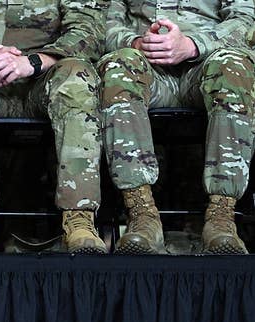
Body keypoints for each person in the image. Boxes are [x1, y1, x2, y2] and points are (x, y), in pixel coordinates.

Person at [0, 0, 108, 254]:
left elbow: (87, 29)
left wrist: (32, 62)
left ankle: (79, 219)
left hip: (47, 78)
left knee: (77, 76)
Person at [99, 0, 255, 254]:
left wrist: (193, 45)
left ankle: (222, 218)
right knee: (119, 65)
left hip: (208, 62)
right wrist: (136, 43)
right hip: (146, 66)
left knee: (234, 66)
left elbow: (246, 18)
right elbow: (103, 19)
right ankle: (141, 216)